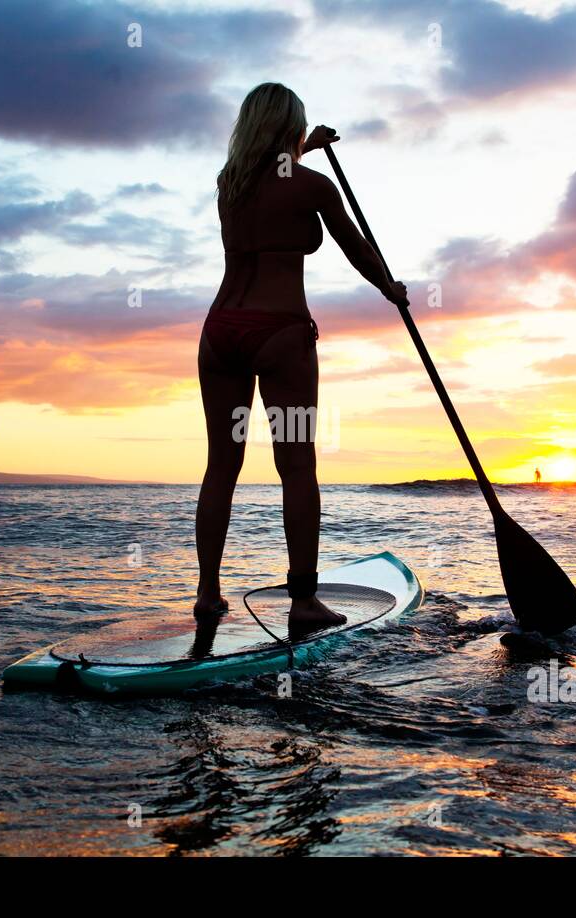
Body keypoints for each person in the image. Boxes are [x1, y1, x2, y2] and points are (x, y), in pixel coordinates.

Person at [194, 82, 407, 625]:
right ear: (290, 126)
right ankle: (305, 601)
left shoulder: (229, 184)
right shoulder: (314, 187)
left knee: (223, 463)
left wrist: (304, 147)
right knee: (296, 467)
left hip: (221, 334)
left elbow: (269, 175)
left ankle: (207, 594)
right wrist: (391, 288)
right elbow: (357, 248)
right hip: (281, 337)